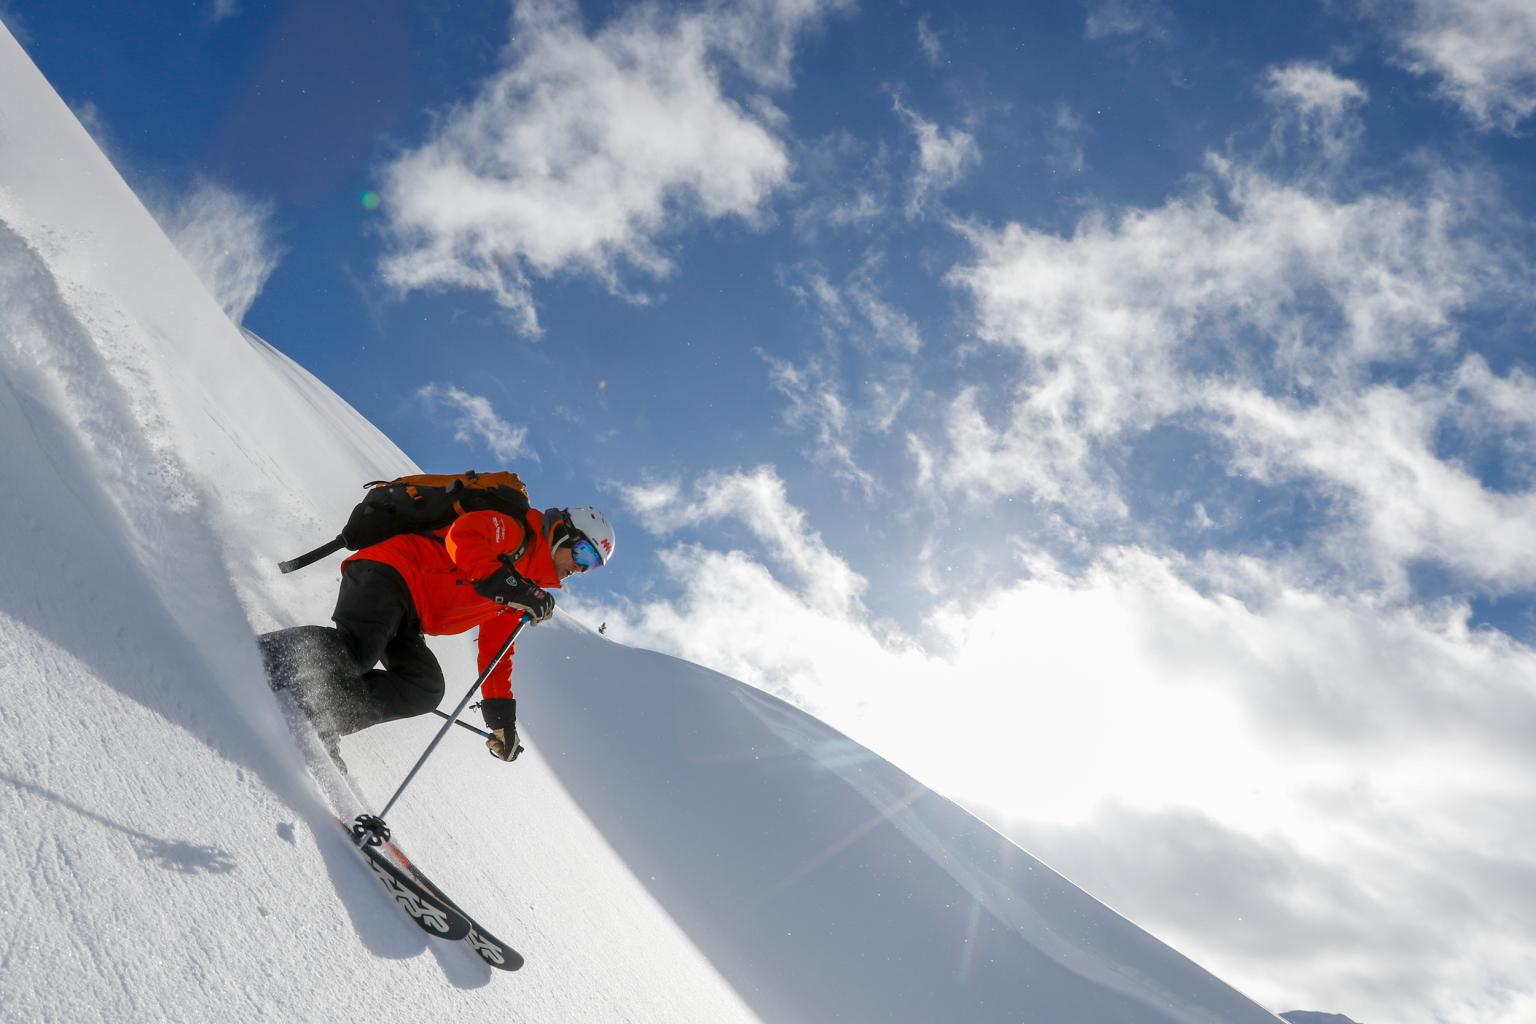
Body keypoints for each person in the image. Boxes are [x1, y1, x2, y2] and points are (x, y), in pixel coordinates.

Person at [259, 503, 615, 768]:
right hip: (390, 571)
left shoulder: (521, 589)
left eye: (592, 566)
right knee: (359, 651)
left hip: (409, 615)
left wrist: (502, 721)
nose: (580, 568)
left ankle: (319, 714)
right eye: (583, 553)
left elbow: (497, 652)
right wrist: (513, 587)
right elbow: (463, 536)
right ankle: (264, 655)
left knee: (424, 688)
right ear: (562, 532)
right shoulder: (515, 530)